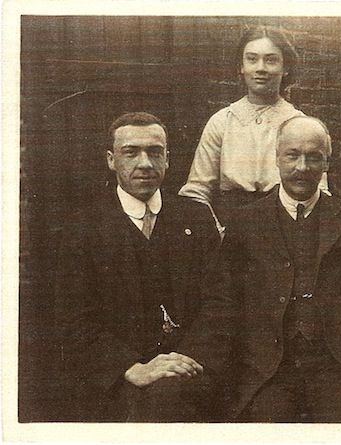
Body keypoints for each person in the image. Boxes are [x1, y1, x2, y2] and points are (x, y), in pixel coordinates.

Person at [180, 115, 341, 422]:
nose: (302, 167)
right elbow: (222, 301)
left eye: (313, 157)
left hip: (334, 364)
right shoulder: (245, 223)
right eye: (292, 156)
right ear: (276, 158)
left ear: (327, 164)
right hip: (268, 369)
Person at [55, 112, 221, 421]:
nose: (145, 163)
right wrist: (130, 368)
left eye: (155, 152)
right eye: (131, 152)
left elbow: (220, 304)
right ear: (111, 160)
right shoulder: (83, 228)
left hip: (190, 370)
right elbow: (75, 320)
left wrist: (187, 358)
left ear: (168, 159)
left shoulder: (196, 219)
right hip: (118, 379)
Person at [178, 25, 328, 234]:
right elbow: (196, 192)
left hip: (284, 232)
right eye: (252, 59)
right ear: (241, 66)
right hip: (229, 231)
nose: (261, 68)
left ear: (286, 68)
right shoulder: (222, 122)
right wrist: (217, 233)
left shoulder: (299, 125)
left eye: (271, 60)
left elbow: (318, 190)